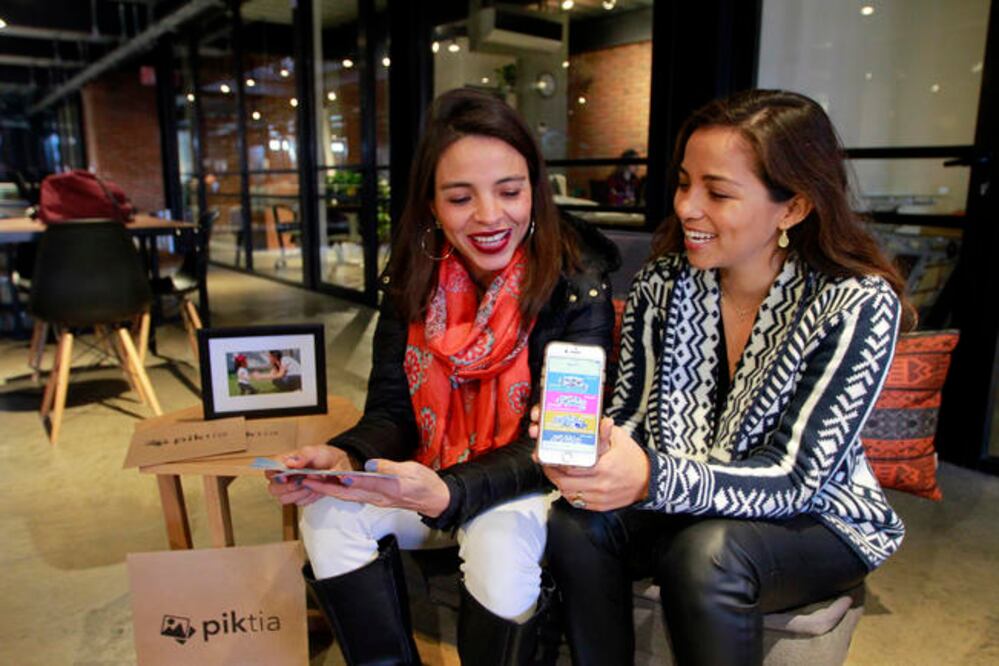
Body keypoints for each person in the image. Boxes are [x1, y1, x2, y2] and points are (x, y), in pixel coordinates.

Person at [537, 89, 911, 666]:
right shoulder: (663, 284)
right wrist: (599, 448)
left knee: (706, 553)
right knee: (575, 521)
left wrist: (651, 479)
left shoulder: (855, 303)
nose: (686, 207)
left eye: (718, 192)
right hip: (688, 499)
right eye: (685, 182)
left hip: (816, 515)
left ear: (793, 208)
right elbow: (636, 412)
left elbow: (796, 478)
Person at [266, 88, 618, 665]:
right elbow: (392, 412)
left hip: (528, 482)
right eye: (460, 197)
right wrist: (346, 458)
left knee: (500, 545)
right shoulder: (413, 274)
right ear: (432, 204)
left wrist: (451, 492)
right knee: (327, 512)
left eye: (510, 191)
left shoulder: (576, 277)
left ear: (535, 187)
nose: (489, 216)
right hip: (432, 473)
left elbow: (560, 443)